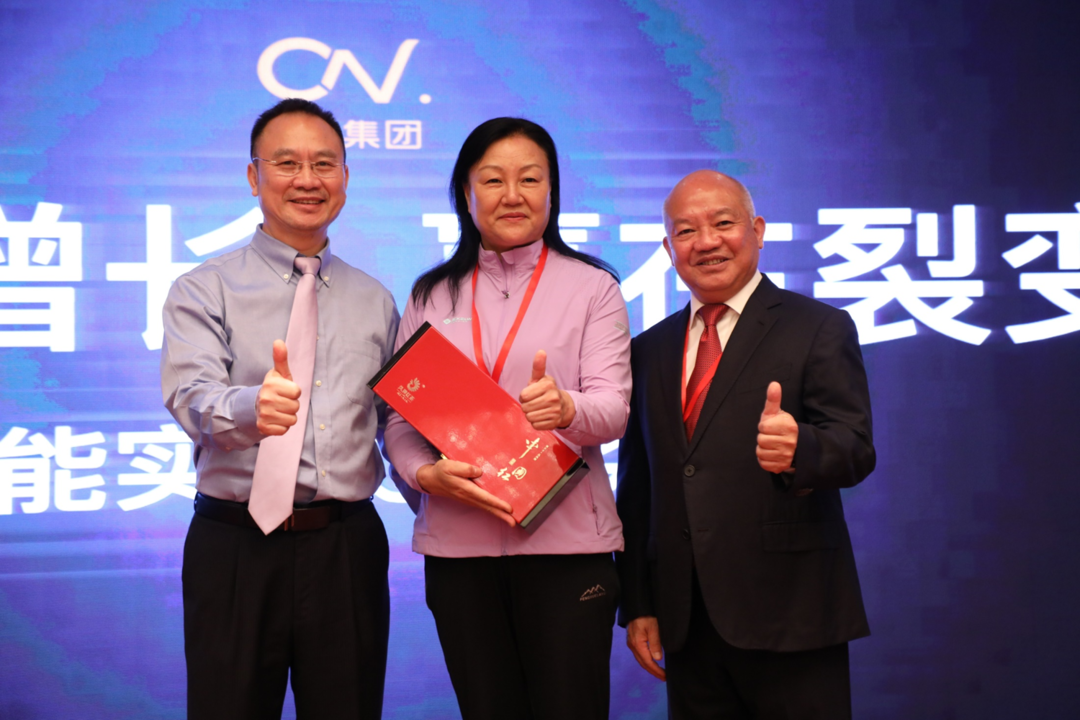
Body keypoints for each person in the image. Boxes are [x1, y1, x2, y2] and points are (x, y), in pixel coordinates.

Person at [384, 117, 631, 720]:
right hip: (460, 552)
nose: (512, 195)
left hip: (567, 546)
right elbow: (400, 421)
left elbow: (614, 409)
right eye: (493, 180)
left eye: (530, 179)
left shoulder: (593, 287)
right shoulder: (430, 294)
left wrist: (566, 408)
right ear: (465, 194)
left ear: (552, 190)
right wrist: (422, 475)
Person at [161, 98, 398, 720]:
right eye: (287, 163)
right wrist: (252, 408)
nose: (307, 180)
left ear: (345, 176)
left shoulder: (375, 300)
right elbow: (191, 397)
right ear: (253, 176)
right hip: (235, 547)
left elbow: (393, 419)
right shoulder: (203, 288)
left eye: (324, 164)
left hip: (346, 546)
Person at [616, 170, 875, 719]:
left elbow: (855, 447)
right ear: (668, 248)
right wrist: (638, 601)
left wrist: (802, 449)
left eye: (723, 223)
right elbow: (638, 488)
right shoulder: (648, 349)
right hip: (687, 621)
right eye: (686, 231)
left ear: (757, 230)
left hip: (792, 611)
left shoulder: (818, 327)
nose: (706, 242)